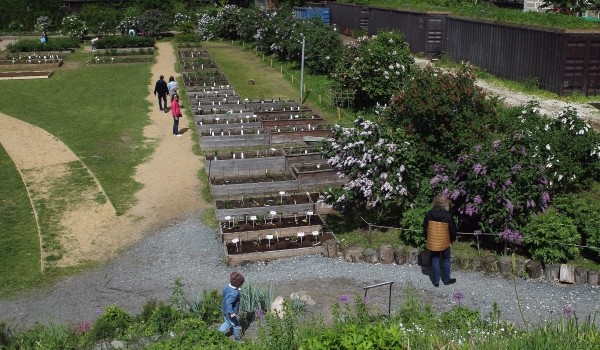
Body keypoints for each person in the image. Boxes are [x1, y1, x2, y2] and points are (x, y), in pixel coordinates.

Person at [423, 194, 457, 287]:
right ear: (445, 203)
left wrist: (428, 238)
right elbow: (452, 229)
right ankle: (446, 279)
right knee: (446, 260)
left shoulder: (429, 214)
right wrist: (452, 239)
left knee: (435, 259)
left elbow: (425, 229)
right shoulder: (448, 215)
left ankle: (436, 281)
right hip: (445, 242)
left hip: (434, 242)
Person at [219, 272, 245, 342]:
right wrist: (231, 312)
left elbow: (226, 298)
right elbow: (228, 303)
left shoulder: (227, 287)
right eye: (242, 284)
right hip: (230, 312)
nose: (242, 285)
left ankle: (217, 334)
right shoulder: (235, 293)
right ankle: (237, 338)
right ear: (238, 284)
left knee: (227, 322)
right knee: (236, 325)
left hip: (224, 310)